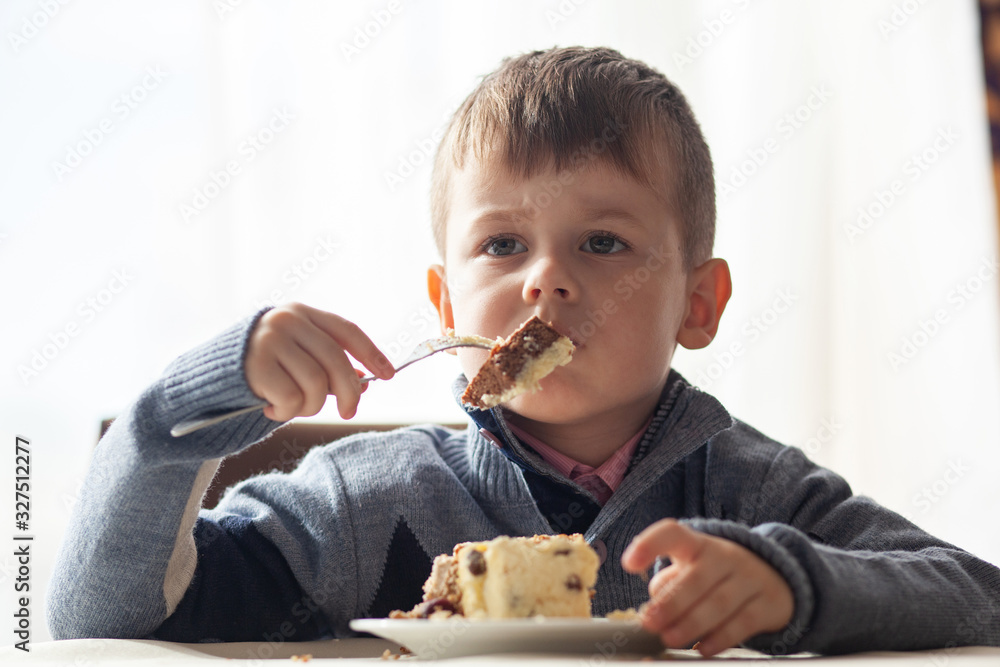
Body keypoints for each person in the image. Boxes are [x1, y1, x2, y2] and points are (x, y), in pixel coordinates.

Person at [47, 46, 999, 656]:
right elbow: (104, 620)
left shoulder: (750, 492)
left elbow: (977, 596)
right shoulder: (366, 505)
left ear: (698, 304)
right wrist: (187, 408)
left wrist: (791, 585)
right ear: (446, 302)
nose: (545, 280)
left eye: (603, 242)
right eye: (503, 244)